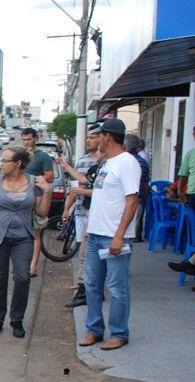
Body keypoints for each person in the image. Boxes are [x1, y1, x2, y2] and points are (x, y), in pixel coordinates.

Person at [78, 118, 140, 351]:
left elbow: (132, 201)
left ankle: (119, 333)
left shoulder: (126, 163)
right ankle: (94, 329)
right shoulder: (107, 163)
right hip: (95, 234)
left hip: (114, 236)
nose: (96, 140)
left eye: (99, 135)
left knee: (116, 286)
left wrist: (119, 235)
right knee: (92, 284)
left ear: (108, 137)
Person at [0, 147, 51, 338]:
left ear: (17, 164)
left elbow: (42, 212)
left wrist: (48, 192)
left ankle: (17, 319)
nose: (1, 164)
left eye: (4, 161)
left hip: (24, 238)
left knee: (22, 278)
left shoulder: (32, 182)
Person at [59, 129, 103, 308]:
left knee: (90, 255)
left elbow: (101, 191)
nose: (88, 140)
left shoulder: (112, 164)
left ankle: (87, 290)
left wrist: (84, 191)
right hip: (84, 212)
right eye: (88, 137)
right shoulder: (88, 163)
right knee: (85, 253)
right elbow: (80, 182)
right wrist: (67, 208)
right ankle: (85, 287)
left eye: (93, 137)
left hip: (100, 218)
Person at [20, 127, 55, 278]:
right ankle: (22, 265)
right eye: (24, 139)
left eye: (29, 139)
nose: (26, 142)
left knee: (36, 233)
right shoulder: (20, 156)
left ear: (35, 139)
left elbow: (50, 176)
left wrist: (34, 180)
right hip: (20, 197)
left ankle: (32, 266)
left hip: (37, 196)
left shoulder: (42, 156)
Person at [125, 133, 150, 241]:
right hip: (139, 198)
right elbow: (145, 184)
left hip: (126, 199)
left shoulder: (123, 161)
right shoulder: (143, 162)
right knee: (136, 224)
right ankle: (137, 237)